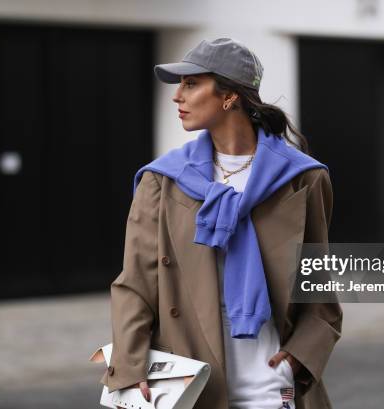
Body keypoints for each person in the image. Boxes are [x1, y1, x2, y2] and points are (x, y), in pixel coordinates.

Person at [101, 37, 343, 409]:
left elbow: (318, 291)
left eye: (191, 83)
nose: (177, 96)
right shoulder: (163, 180)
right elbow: (135, 284)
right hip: (190, 382)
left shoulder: (302, 179)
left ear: (229, 96)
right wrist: (130, 366)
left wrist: (299, 357)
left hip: (273, 383)